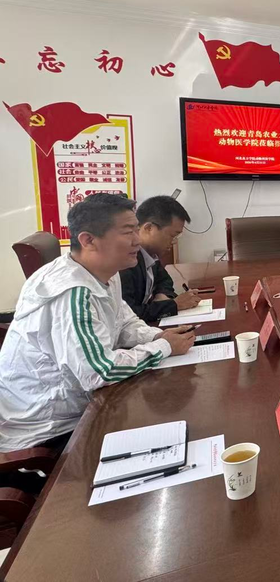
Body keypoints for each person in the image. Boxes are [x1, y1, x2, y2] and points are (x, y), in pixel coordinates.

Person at [0, 194, 196, 453]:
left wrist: (157, 336)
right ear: (88, 240)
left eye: (136, 229)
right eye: (127, 232)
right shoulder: (72, 292)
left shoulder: (104, 273)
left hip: (87, 405)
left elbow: (123, 322)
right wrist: (164, 347)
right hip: (49, 430)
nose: (137, 240)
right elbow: (100, 372)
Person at [120, 195, 200, 322]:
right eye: (172, 235)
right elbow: (130, 314)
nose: (173, 242)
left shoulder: (151, 255)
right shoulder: (125, 263)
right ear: (149, 228)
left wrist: (162, 295)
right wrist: (174, 305)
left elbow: (165, 280)